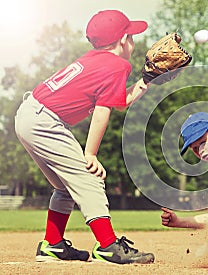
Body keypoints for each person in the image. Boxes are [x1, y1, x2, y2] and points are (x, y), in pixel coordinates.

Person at [15, 10, 155, 264]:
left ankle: (53, 245)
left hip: (30, 115)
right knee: (89, 177)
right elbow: (103, 111)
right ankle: (108, 246)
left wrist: (146, 81)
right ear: (123, 40)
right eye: (132, 36)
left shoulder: (96, 60)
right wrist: (90, 154)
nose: (133, 42)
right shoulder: (118, 65)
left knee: (64, 187)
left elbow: (118, 100)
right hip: (45, 121)